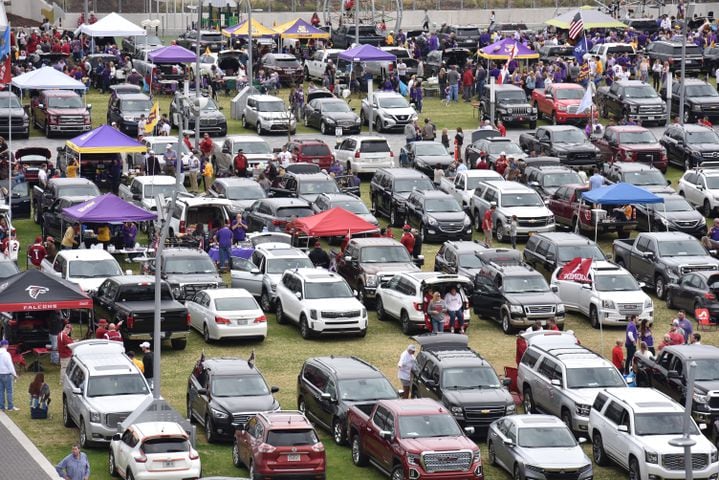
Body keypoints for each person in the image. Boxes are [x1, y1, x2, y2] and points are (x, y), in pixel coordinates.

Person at [0, 339, 18, 411]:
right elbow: (10, 365)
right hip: (6, 374)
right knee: (9, 391)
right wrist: (14, 374)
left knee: (1, 391)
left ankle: (2, 406)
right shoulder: (6, 354)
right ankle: (10, 407)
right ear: (6, 345)